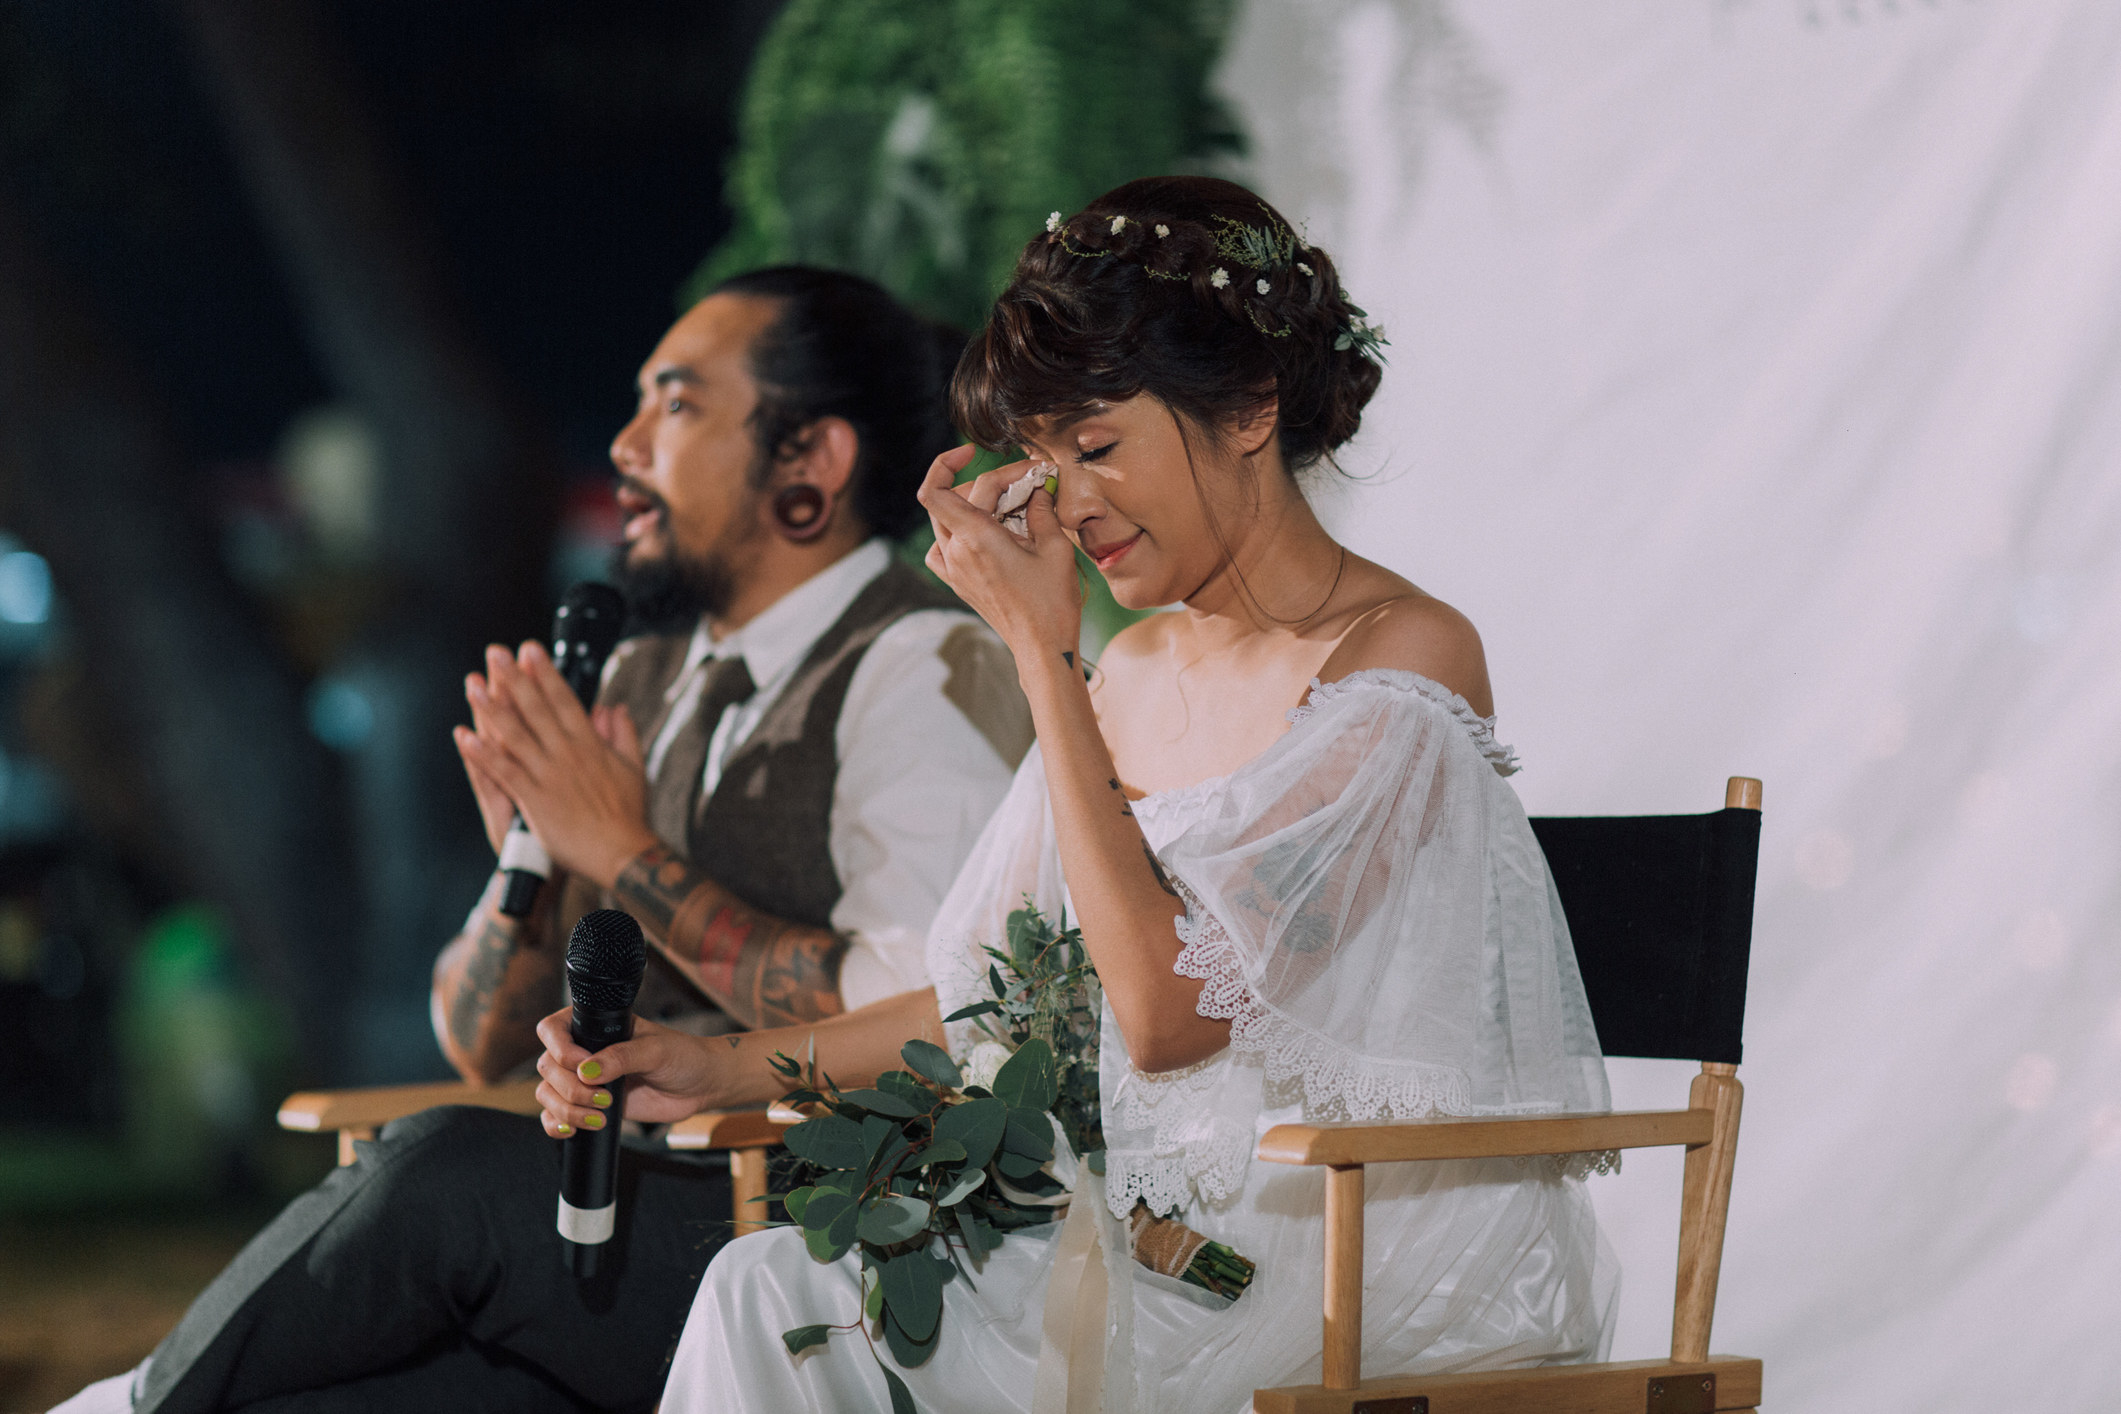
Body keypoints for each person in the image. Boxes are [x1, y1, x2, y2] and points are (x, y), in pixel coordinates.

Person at [528, 176, 1618, 1413]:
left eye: (1095, 447)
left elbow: (1161, 1009)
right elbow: (1004, 998)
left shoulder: (1403, 651)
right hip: (1129, 1250)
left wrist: (1043, 661)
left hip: (1326, 1258)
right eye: (1042, 461)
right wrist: (716, 1067)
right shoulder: (1137, 665)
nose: (1068, 502)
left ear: (1251, 406)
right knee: (766, 1290)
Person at [55, 268, 1032, 1414]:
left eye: (675, 405)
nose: (622, 448)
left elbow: (935, 1012)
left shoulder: (925, 666)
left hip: (804, 1244)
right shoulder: (643, 676)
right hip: (603, 1224)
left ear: (809, 461)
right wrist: (539, 862)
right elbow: (474, 1038)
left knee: (438, 1173)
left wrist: (623, 849)